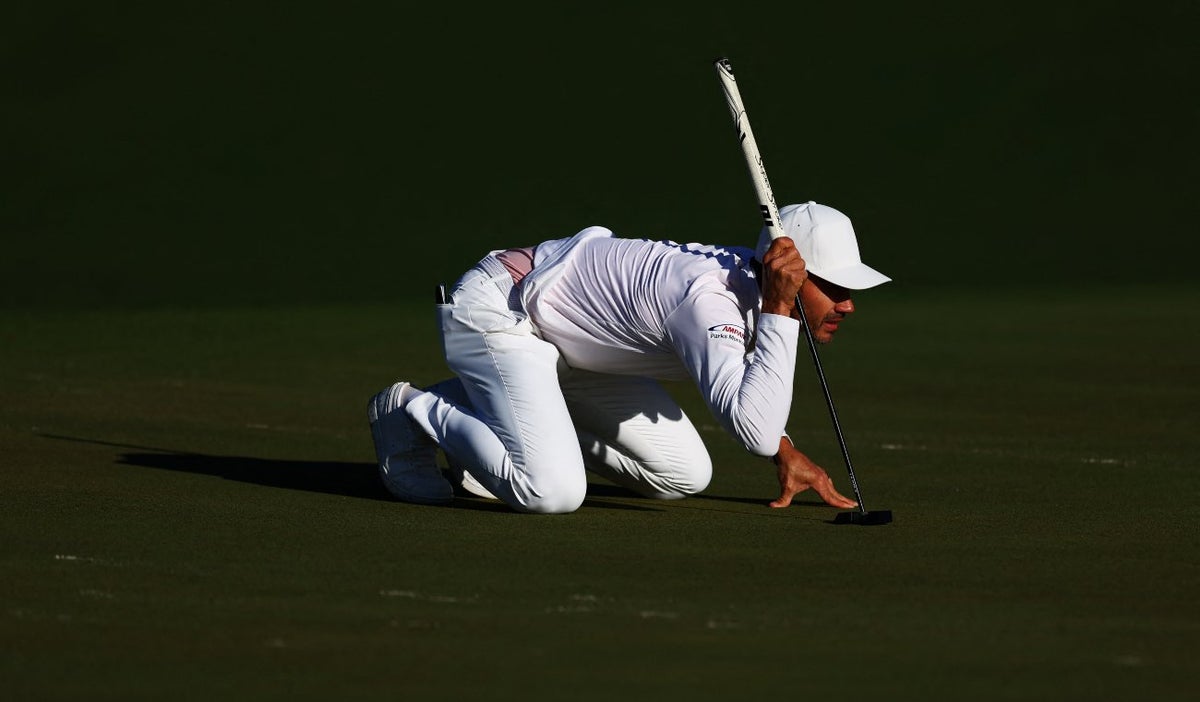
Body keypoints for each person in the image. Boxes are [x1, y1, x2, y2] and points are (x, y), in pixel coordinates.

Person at [367, 201, 891, 514]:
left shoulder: (749, 291)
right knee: (551, 492)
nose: (847, 304)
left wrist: (785, 450)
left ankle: (506, 430)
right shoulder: (712, 301)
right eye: (837, 287)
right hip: (496, 312)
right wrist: (780, 308)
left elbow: (745, 396)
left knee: (684, 475)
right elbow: (751, 430)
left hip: (573, 347)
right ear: (789, 276)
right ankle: (408, 409)